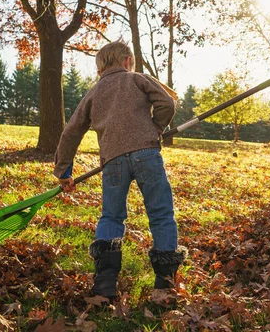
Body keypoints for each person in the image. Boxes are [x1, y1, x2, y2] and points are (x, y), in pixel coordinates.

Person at [53, 39, 186, 300]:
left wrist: (64, 172)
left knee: (112, 217)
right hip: (147, 154)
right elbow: (166, 104)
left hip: (113, 161)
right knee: (160, 214)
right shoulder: (137, 78)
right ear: (127, 61)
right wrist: (155, 129)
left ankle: (104, 285)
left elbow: (71, 132)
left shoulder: (94, 91)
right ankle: (164, 285)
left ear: (101, 69)